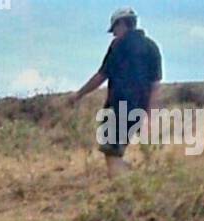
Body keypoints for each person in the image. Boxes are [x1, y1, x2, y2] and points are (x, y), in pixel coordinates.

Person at [69, 8, 163, 177]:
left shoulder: (118, 46)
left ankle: (126, 187)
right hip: (139, 109)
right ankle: (131, 181)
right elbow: (155, 86)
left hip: (118, 106)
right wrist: (150, 115)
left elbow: (101, 76)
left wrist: (79, 94)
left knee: (111, 153)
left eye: (114, 29)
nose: (114, 34)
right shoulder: (152, 47)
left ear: (122, 24)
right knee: (116, 151)